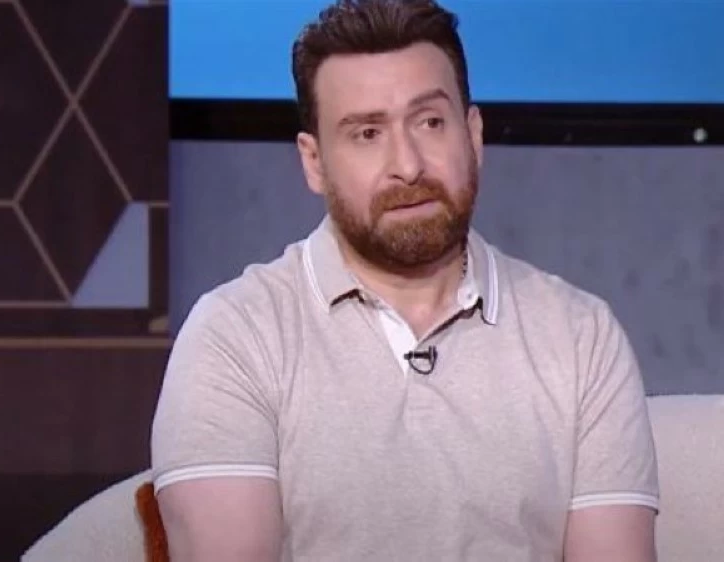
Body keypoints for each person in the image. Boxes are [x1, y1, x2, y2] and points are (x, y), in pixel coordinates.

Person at [151, 0, 659, 560]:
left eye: (430, 122)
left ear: (473, 135)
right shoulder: (235, 336)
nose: (409, 165)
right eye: (367, 133)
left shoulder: (581, 337)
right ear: (314, 162)